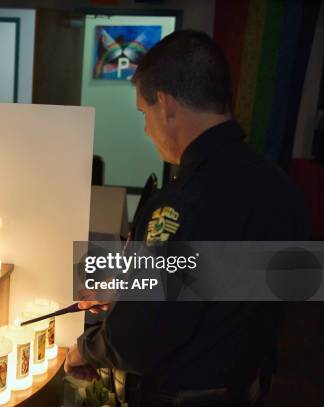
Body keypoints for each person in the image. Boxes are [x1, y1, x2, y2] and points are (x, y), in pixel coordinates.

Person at [65, 30, 309, 406]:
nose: (147, 129)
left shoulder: (180, 204)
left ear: (165, 105)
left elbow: (143, 338)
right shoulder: (279, 185)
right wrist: (132, 286)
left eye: (143, 113)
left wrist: (88, 349)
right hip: (246, 387)